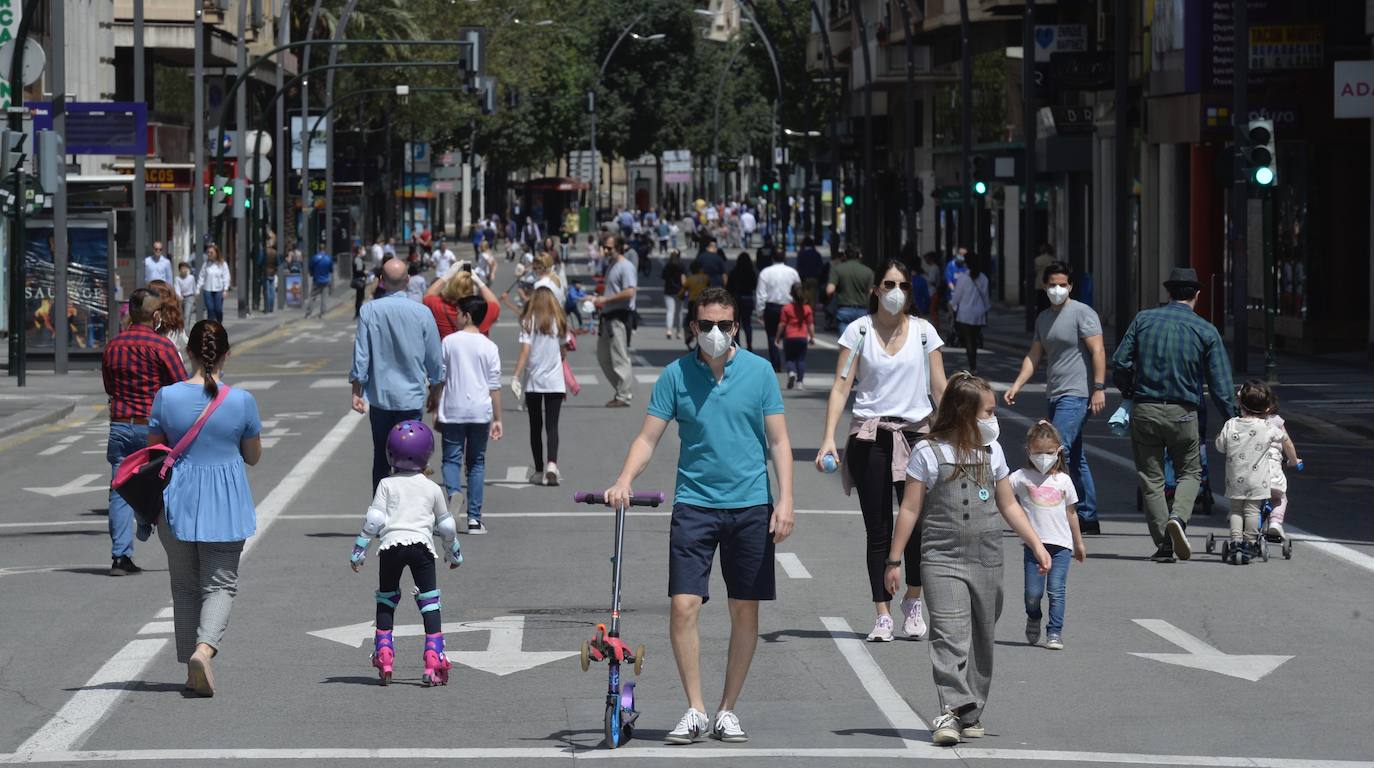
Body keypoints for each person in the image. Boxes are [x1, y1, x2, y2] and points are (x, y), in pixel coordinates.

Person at [604, 287, 794, 745]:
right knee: (683, 605)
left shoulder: (760, 372)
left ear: (736, 327)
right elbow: (648, 438)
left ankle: (728, 710)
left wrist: (785, 500)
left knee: (743, 608)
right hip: (695, 504)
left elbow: (780, 443)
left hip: (751, 504)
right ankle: (696, 708)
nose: (714, 333)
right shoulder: (675, 375)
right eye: (706, 324)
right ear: (693, 327)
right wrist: (625, 478)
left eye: (724, 325)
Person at [886, 373, 1051, 745]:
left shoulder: (991, 452)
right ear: (965, 413)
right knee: (949, 634)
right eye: (988, 412)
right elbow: (910, 510)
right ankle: (949, 711)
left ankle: (970, 709)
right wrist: (894, 560)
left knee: (982, 635)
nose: (994, 419)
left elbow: (1008, 503)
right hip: (941, 556)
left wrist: (1037, 545)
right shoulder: (927, 452)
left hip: (987, 555)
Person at [816, 261, 947, 642]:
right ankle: (882, 614)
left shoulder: (925, 333)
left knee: (918, 528)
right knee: (879, 530)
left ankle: (914, 600)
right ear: (875, 289)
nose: (896, 291)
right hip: (870, 437)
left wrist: (957, 434)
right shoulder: (858, 331)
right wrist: (828, 437)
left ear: (911, 290)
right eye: (889, 284)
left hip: (917, 436)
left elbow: (939, 388)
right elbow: (842, 387)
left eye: (903, 285)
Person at [148, 319, 262, 697]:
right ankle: (204, 651)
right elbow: (253, 456)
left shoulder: (166, 397)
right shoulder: (241, 400)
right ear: (226, 354)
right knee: (220, 584)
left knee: (183, 585)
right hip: (225, 501)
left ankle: (191, 669)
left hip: (176, 500)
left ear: (188, 353)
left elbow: (154, 452)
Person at [1111, 267, 1236, 563]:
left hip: (1145, 409)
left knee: (1151, 478)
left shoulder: (1143, 319)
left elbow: (1121, 361)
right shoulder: (1206, 330)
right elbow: (1221, 383)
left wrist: (1129, 392)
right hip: (1184, 412)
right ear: (1197, 295)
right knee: (1190, 471)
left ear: (1168, 294)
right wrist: (1232, 417)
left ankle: (1164, 544)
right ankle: (1178, 517)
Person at [348, 419, 464, 686]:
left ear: (390, 453)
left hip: (391, 547)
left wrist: (359, 549)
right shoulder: (433, 488)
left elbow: (375, 520)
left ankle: (384, 654)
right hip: (422, 547)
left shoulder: (386, 485)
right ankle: (434, 656)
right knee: (429, 601)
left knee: (386, 599)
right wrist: (453, 553)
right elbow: (446, 526)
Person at [1003, 262, 1108, 534]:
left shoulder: (1083, 313)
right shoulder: (1044, 319)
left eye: (1062, 284)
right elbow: (1034, 355)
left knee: (1058, 451)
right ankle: (1088, 514)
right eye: (1052, 285)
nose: (1057, 289)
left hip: (1076, 394)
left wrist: (1098, 387)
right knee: (1077, 455)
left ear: (1071, 286)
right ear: (1044, 286)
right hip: (1055, 393)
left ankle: (1056, 509)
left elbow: (1097, 350)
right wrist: (1017, 385)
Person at [102, 289, 189, 576]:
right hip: (152, 427)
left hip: (120, 425)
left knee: (120, 488)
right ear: (155, 316)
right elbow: (182, 384)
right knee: (168, 483)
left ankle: (120, 557)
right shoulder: (162, 346)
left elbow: (108, 385)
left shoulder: (113, 345)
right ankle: (175, 544)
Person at [351, 258, 445, 492]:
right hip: (411, 397)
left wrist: (356, 390)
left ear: (381, 281)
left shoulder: (369, 311)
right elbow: (435, 359)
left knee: (381, 455)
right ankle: (412, 511)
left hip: (380, 396)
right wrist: (435, 390)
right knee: (412, 457)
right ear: (407, 280)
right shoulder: (422, 312)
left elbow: (361, 355)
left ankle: (380, 513)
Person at [1009, 420, 1086, 651]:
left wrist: (1078, 543)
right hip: (1034, 547)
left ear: (1058, 451)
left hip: (1061, 547)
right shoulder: (1021, 477)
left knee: (1056, 590)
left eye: (1049, 452)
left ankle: (1054, 632)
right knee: (1032, 594)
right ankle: (1034, 616)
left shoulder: (1063, 480)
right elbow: (1001, 491)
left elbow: (1071, 514)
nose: (1044, 457)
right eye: (1038, 452)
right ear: (1028, 451)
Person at [429, 296, 503, 535]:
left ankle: (453, 495)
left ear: (467, 316)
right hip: (480, 411)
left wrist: (435, 404)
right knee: (476, 463)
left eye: (459, 313)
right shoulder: (489, 346)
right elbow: (494, 387)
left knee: (451, 459)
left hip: (453, 409)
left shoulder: (449, 342)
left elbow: (440, 378)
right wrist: (498, 419)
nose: (456, 316)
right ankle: (474, 518)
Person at [1214, 381, 1299, 565]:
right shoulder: (1268, 427)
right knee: (1252, 510)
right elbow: (1287, 443)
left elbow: (1220, 446)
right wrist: (1294, 460)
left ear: (1240, 404)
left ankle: (1235, 541)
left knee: (1236, 510)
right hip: (1258, 480)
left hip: (1235, 479)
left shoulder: (1231, 424)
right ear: (1267, 408)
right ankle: (1250, 543)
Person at [512, 287, 568, 487]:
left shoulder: (529, 321)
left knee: (535, 426)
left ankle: (538, 469)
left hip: (534, 381)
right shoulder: (560, 321)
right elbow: (563, 351)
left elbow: (525, 350)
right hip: (555, 381)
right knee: (552, 426)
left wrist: (516, 375)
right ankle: (552, 465)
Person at [594, 235, 638, 408]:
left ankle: (624, 394)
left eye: (609, 248)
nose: (606, 250)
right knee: (603, 356)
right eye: (604, 247)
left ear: (618, 248)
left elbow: (629, 292)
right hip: (608, 316)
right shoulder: (612, 265)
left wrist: (605, 300)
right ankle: (621, 390)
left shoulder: (625, 266)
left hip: (619, 316)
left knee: (620, 358)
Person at [755, 244, 801, 372]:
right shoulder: (792, 272)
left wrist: (760, 311)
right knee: (789, 335)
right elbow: (798, 291)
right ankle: (790, 363)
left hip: (771, 307)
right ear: (784, 257)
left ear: (772, 257)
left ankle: (776, 364)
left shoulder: (765, 272)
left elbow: (761, 294)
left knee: (771, 336)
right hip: (789, 306)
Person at [425, 265, 501, 338]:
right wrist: (478, 281)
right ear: (471, 290)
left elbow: (428, 296)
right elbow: (495, 304)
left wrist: (448, 275)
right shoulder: (482, 311)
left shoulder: (439, 306)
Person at [950, 254, 991, 373]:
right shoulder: (984, 278)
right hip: (979, 313)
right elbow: (986, 297)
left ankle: (972, 366)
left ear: (966, 263)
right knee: (974, 339)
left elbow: (957, 296)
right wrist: (986, 309)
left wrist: (952, 305)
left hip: (965, 313)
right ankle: (974, 364)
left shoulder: (963, 278)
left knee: (969, 341)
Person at [827, 245, 874, 336]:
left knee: (845, 344)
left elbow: (829, 290)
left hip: (844, 310)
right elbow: (871, 293)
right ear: (860, 256)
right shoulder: (868, 271)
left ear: (845, 255)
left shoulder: (837, 269)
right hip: (862, 311)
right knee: (860, 344)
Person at [776, 283, 813, 390]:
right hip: (802, 337)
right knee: (801, 360)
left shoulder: (786, 308)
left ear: (791, 294)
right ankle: (800, 382)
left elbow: (782, 324)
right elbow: (810, 324)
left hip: (789, 337)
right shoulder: (807, 308)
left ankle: (791, 373)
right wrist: (812, 336)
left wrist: (778, 337)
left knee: (790, 359)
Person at [148, 281, 191, 373]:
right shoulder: (174, 318)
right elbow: (184, 341)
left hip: (161, 364)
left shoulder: (154, 319)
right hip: (175, 363)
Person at [728, 253, 758, 351]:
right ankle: (749, 344)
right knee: (747, 323)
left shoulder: (734, 272)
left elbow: (729, 287)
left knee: (736, 323)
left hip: (736, 299)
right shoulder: (751, 272)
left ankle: (737, 343)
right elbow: (754, 285)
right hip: (747, 298)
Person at [195, 244, 230, 323]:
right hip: (207, 290)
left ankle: (219, 323)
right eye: (208, 252)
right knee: (210, 309)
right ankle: (211, 327)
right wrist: (197, 289)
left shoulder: (222, 264)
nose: (209, 254)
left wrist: (226, 289)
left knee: (218, 309)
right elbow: (201, 277)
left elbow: (226, 277)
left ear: (216, 253)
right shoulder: (206, 264)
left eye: (211, 252)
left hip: (218, 290)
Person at [304, 245, 334, 319]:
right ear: (325, 249)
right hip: (326, 280)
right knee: (324, 298)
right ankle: (323, 314)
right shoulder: (328, 258)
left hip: (316, 280)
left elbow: (310, 267)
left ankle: (308, 313)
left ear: (318, 249)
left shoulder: (314, 258)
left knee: (312, 297)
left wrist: (312, 274)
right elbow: (331, 270)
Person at [662, 249, 686, 339]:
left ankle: (669, 330)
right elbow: (683, 280)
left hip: (668, 291)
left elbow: (663, 277)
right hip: (679, 291)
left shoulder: (667, 266)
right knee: (679, 313)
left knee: (670, 311)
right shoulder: (681, 266)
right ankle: (679, 332)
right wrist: (685, 289)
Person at [795, 236, 825, 309]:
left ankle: (805, 314)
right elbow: (821, 267)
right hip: (814, 279)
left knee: (804, 297)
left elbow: (798, 267)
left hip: (804, 279)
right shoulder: (817, 254)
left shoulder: (801, 254)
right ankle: (811, 315)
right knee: (813, 298)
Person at [174, 262, 198, 335]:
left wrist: (195, 296)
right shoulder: (177, 278)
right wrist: (179, 295)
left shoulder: (191, 277)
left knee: (187, 315)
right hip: (181, 298)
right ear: (179, 270)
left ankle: (186, 333)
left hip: (189, 297)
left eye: (185, 268)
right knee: (181, 315)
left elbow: (194, 287)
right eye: (182, 269)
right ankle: (181, 331)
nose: (184, 270)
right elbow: (177, 288)